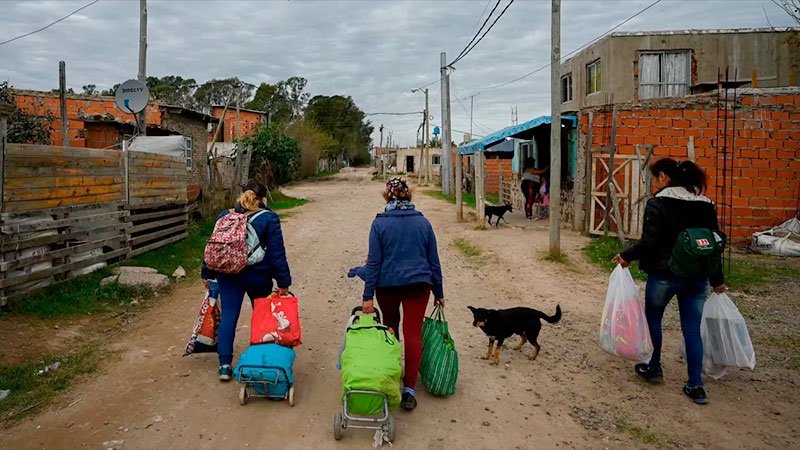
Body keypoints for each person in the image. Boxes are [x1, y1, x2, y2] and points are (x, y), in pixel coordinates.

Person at [612, 158, 726, 405]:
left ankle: (654, 367)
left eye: (654, 178)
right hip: (697, 278)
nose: (653, 183)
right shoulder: (706, 205)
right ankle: (695, 385)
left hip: (664, 276)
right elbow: (713, 245)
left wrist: (626, 256)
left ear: (663, 176)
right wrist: (717, 280)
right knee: (692, 330)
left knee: (653, 319)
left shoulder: (658, 203)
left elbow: (650, 243)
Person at [361, 177, 445, 411]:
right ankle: (409, 389)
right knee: (413, 333)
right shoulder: (424, 223)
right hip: (419, 285)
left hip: (386, 286)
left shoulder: (379, 224)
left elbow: (373, 263)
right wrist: (439, 292)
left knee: (390, 328)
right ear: (409, 196)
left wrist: (367, 296)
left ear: (387, 197)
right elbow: (434, 262)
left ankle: (391, 377)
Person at [201, 181, 292, 382]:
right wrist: (284, 282)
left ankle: (225, 366)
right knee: (262, 317)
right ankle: (260, 361)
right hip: (258, 276)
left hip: (228, 274)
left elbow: (215, 244)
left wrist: (206, 272)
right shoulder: (269, 218)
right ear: (263, 199)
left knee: (229, 317)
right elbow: (277, 254)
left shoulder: (225, 216)